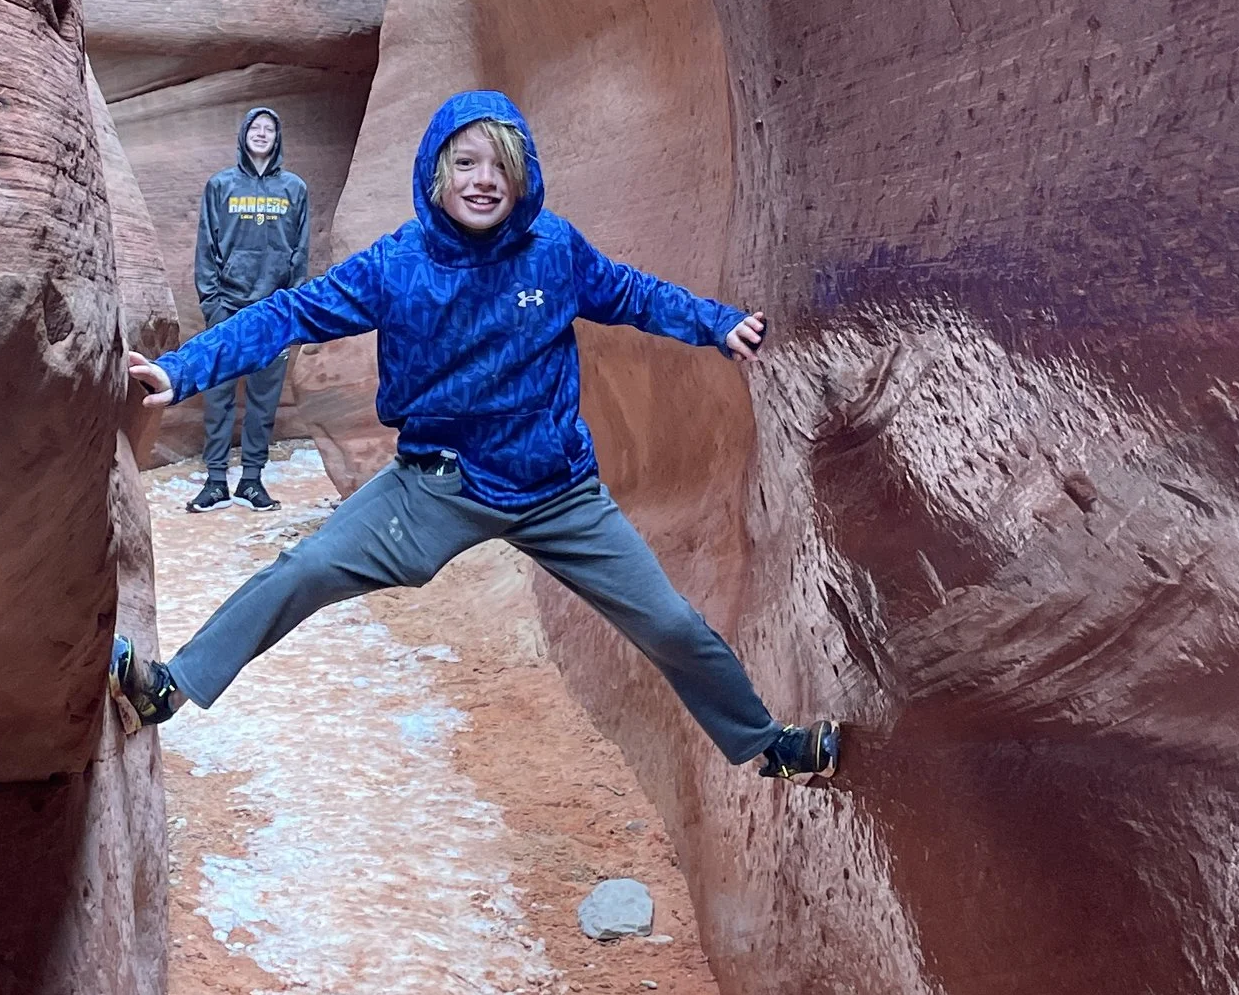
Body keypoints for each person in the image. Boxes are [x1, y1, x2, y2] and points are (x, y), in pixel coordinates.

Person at [111, 90, 842, 780]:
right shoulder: (398, 264)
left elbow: (630, 294)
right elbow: (289, 314)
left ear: (523, 177)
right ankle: (168, 689)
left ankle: (764, 744)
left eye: (501, 165)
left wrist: (715, 323)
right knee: (301, 572)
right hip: (437, 484)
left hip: (558, 490)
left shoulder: (553, 248)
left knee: (672, 624)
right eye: (466, 163)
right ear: (437, 172)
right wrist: (185, 367)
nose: (484, 180)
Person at [187, 103, 309, 510]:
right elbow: (206, 247)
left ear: (277, 139)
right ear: (244, 135)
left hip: (272, 312)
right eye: (255, 128)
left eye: (269, 130)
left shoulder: (294, 189)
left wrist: (290, 312)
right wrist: (212, 305)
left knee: (263, 401)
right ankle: (216, 480)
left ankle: (252, 480)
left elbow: (300, 252)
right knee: (218, 395)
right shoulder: (220, 186)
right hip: (227, 309)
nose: (261, 134)